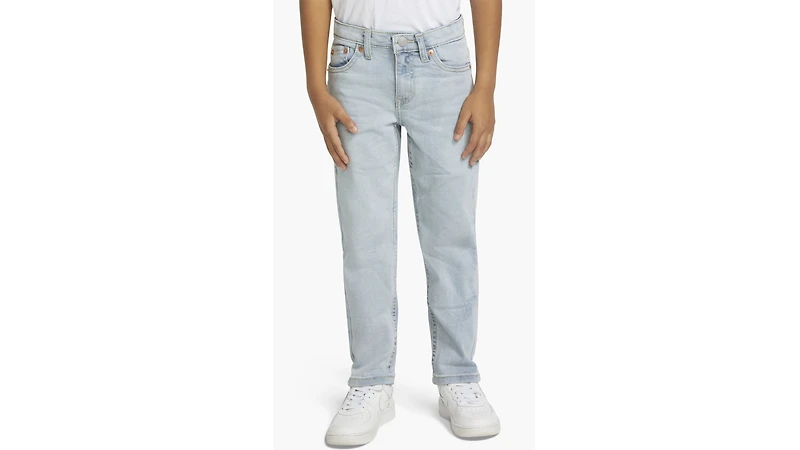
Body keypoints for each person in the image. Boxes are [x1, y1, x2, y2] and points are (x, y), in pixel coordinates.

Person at [300, 0, 502, 445]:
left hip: (443, 64)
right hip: (355, 66)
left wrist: (485, 85)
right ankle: (371, 380)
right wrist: (316, 85)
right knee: (365, 237)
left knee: (451, 234)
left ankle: (458, 374)